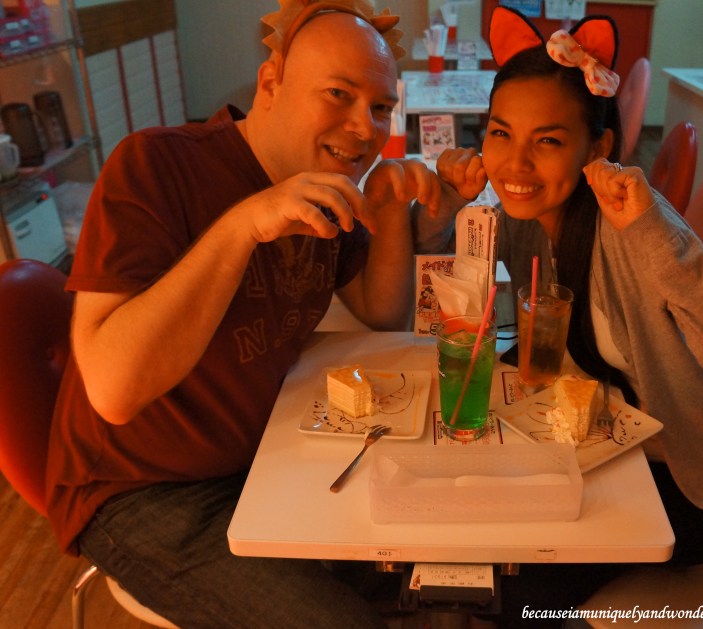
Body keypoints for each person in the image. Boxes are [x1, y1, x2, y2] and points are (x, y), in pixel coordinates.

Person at [43, 2, 444, 627]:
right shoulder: (156, 164)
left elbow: (380, 310)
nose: (364, 128)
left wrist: (390, 210)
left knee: (439, 559)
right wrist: (243, 226)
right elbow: (114, 392)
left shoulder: (324, 182)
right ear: (271, 82)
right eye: (338, 94)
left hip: (266, 452)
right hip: (139, 489)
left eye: (380, 107)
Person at [436, 7, 703, 624]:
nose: (514, 164)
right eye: (499, 133)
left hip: (701, 478)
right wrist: (446, 207)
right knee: (474, 511)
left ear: (596, 147)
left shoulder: (634, 229)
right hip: (612, 438)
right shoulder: (524, 219)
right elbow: (454, 303)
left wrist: (659, 236)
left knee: (521, 581)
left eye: (547, 140)